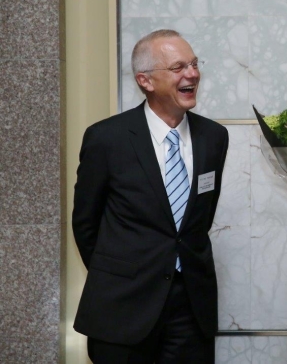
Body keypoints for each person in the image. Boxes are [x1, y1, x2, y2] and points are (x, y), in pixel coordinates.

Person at [72, 29, 229, 363]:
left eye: (194, 64)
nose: (193, 74)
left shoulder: (214, 137)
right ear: (145, 81)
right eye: (178, 67)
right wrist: (120, 275)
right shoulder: (106, 139)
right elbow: (85, 223)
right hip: (122, 309)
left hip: (191, 309)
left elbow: (198, 220)